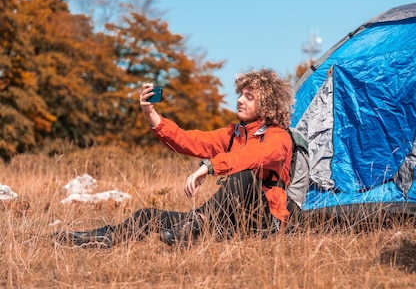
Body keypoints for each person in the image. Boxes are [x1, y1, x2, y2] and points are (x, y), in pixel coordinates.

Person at [54, 68, 294, 248]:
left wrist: (209, 167)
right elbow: (190, 140)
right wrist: (151, 114)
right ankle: (100, 238)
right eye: (241, 94)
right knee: (147, 216)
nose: (240, 100)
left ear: (267, 105)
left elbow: (253, 156)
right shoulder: (234, 134)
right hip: (229, 222)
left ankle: (193, 226)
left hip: (264, 223)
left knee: (243, 177)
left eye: (249, 96)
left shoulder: (279, 137)